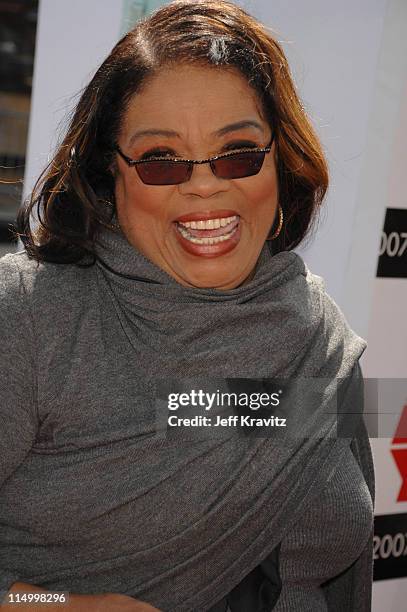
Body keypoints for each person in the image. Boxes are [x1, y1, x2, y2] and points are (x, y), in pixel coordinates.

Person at [0, 1, 375, 611]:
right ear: (108, 175)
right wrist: (52, 605)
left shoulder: (322, 341)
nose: (203, 184)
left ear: (280, 161)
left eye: (238, 153)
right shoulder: (30, 318)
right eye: (160, 161)